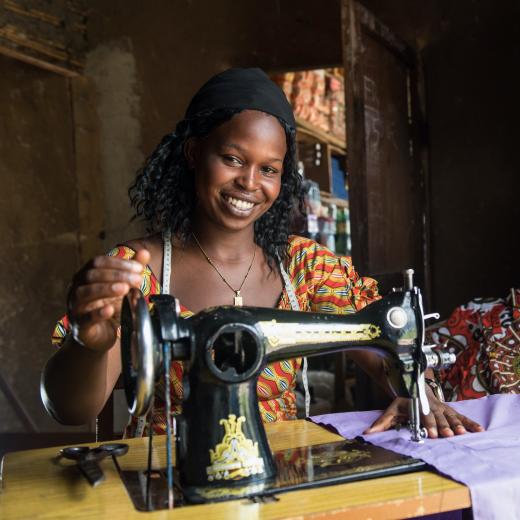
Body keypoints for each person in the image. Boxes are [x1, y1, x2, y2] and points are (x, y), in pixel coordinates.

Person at [41, 68, 483, 439]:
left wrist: (417, 392)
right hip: (169, 483)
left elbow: (388, 352)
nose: (250, 183)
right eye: (233, 159)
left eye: (269, 169)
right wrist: (88, 345)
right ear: (195, 153)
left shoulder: (307, 267)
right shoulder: (135, 272)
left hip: (285, 470)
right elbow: (70, 410)